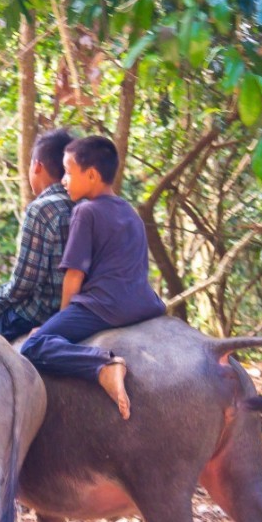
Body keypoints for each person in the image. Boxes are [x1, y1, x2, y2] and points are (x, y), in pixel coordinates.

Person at [20, 135, 166, 419]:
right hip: (145, 305)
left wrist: (57, 323)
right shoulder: (130, 212)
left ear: (91, 175)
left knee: (34, 344)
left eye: (68, 172)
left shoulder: (85, 212)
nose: (63, 180)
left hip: (103, 307)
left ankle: (103, 366)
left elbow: (74, 276)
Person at [0, 128, 75, 341]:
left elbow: (23, 282)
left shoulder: (41, 209)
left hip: (39, 313)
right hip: (78, 309)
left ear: (37, 166)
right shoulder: (84, 204)